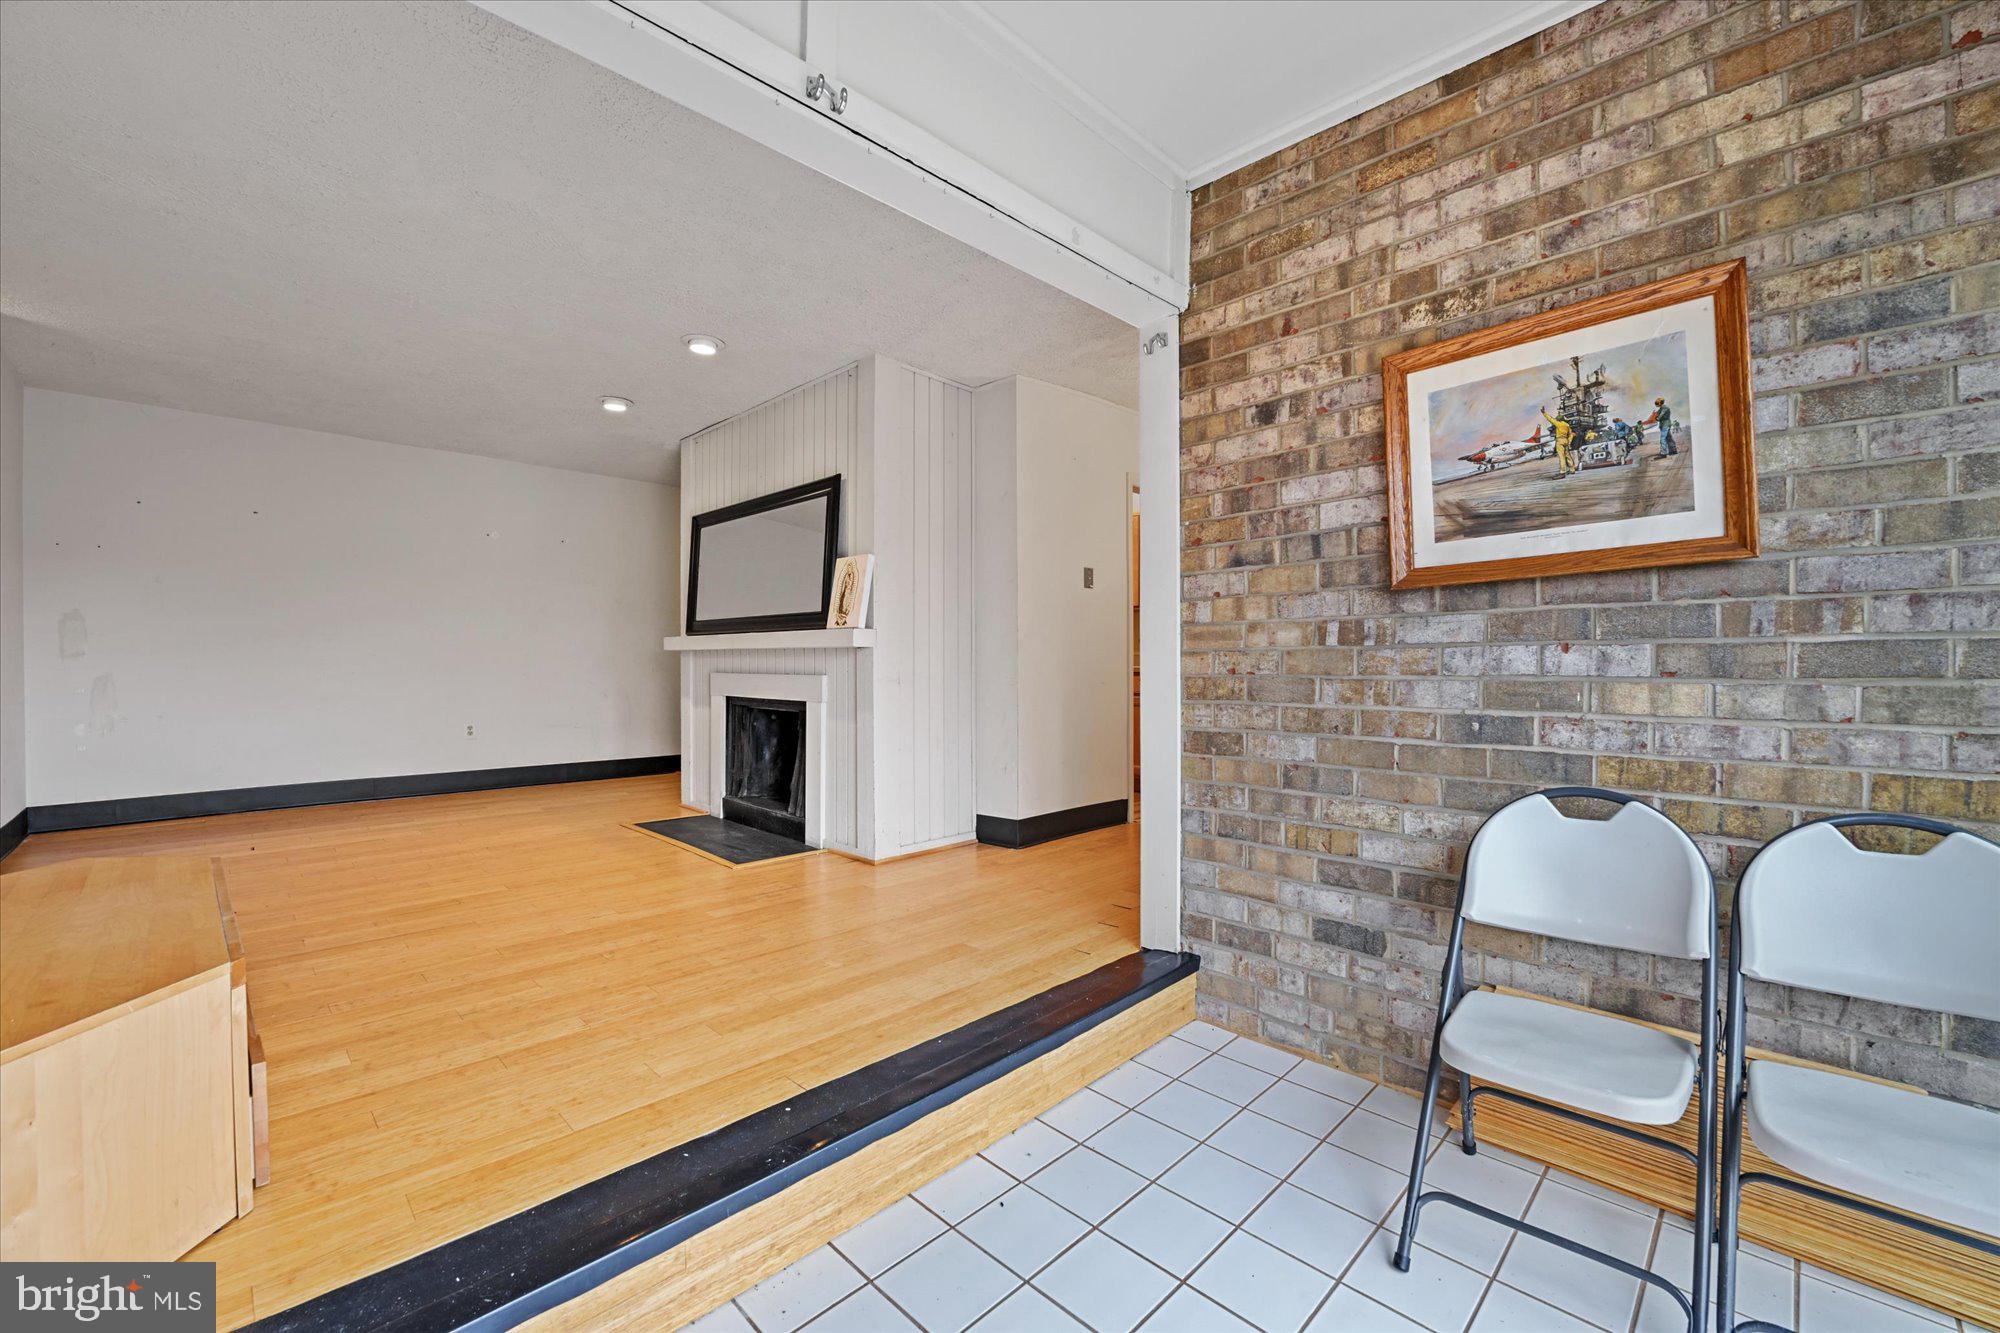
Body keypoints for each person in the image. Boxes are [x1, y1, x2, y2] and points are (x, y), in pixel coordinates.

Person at [1539, 407, 1577, 477]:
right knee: (1568, 456)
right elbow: (1570, 434)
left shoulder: (1558, 424)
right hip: (1566, 440)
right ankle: (1572, 469)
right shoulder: (1567, 425)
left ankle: (1562, 472)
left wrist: (1544, 413)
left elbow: (1550, 419)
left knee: (1561, 456)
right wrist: (1568, 442)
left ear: (1559, 419)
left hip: (1560, 440)